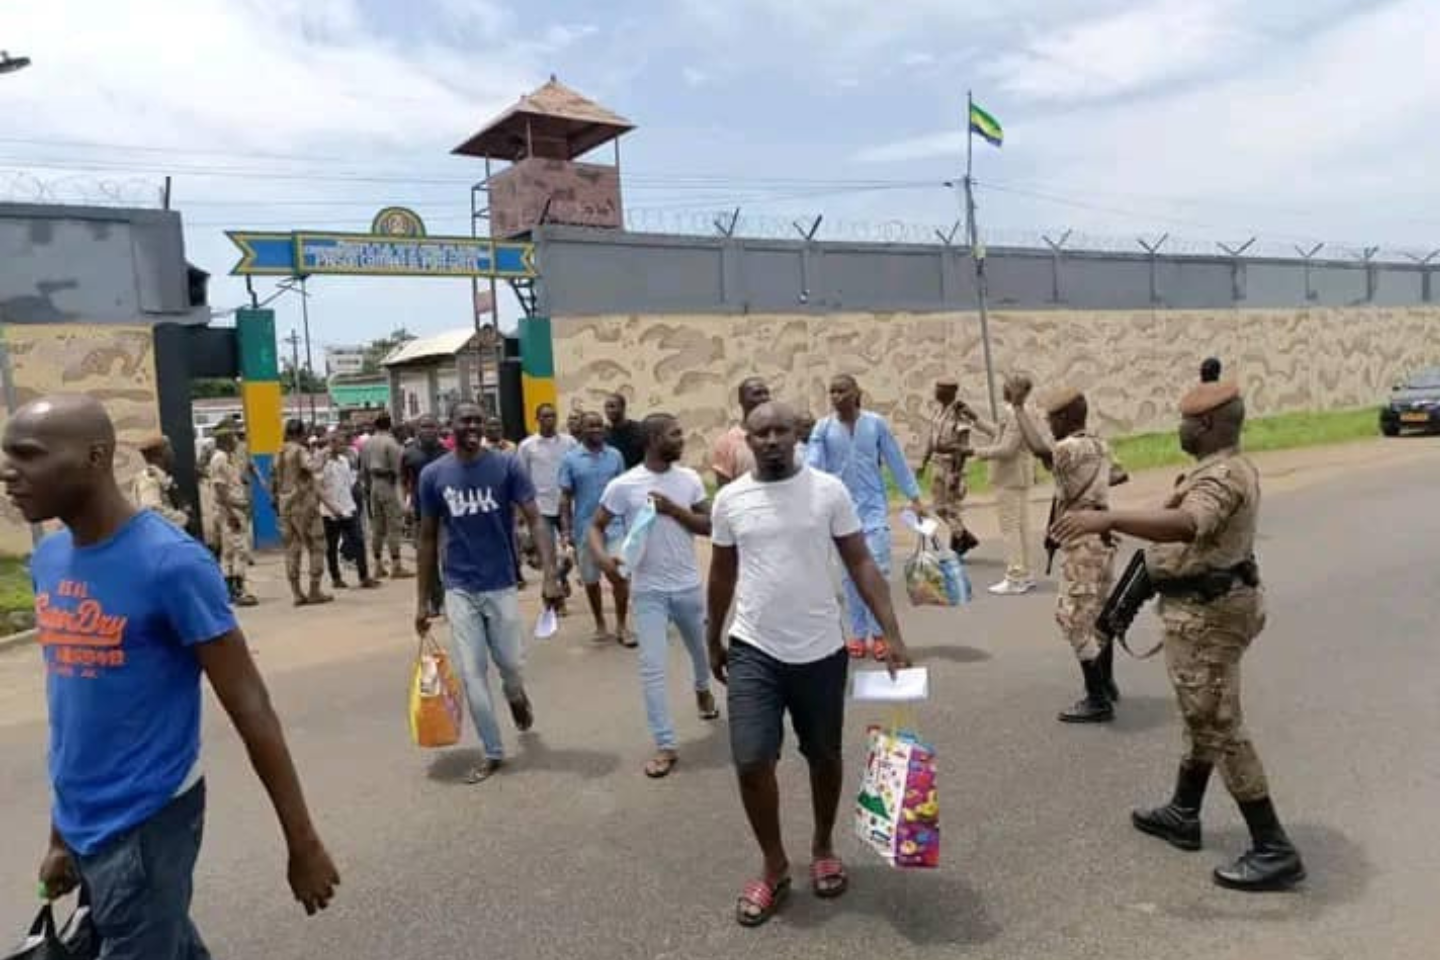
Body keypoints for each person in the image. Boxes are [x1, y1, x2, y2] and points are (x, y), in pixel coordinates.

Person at [6, 395, 339, 958]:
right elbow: (78, 714)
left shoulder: (171, 564)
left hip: (148, 821)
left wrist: (302, 841)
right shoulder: (50, 560)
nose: (7, 471)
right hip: (84, 821)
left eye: (28, 455)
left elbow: (251, 706)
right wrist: (61, 836)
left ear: (94, 457)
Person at [1053, 381, 1305, 891]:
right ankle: (1184, 811)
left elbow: (1189, 523)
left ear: (1207, 425)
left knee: (1219, 723)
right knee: (1201, 714)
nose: (1179, 427)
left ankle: (1273, 845)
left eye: (1185, 421)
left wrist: (1107, 516)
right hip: (1204, 608)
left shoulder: (1221, 477)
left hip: (1209, 616)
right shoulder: (1218, 468)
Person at [708, 401, 913, 928]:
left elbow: (860, 560)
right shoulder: (730, 500)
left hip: (821, 648)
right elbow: (722, 573)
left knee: (823, 755)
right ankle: (774, 864)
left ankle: (822, 845)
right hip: (754, 646)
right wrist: (713, 636)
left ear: (796, 436)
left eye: (781, 432)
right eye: (761, 433)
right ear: (746, 441)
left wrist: (890, 631)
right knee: (752, 760)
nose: (772, 440)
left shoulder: (827, 491)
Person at [414, 401, 563, 784]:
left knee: (511, 664)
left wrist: (550, 574)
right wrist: (422, 601)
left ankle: (516, 695)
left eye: (478, 420)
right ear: (451, 427)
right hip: (459, 588)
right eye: (465, 420)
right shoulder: (433, 475)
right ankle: (493, 751)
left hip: (500, 584)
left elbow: (535, 519)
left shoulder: (506, 465)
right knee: (471, 673)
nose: (473, 426)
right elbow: (427, 538)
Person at [589, 413, 719, 779]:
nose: (682, 439)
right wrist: (603, 560)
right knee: (652, 668)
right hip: (647, 591)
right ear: (652, 439)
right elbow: (595, 527)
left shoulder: (689, 480)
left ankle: (702, 687)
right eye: (675, 434)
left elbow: (709, 525)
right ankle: (665, 744)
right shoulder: (624, 485)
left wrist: (672, 509)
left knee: (701, 652)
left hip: (688, 587)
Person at [1015, 387, 1119, 723]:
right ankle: (1108, 682)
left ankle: (1097, 697)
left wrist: (1018, 408)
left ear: (1063, 418)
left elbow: (1039, 450)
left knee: (1072, 619)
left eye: (1049, 419)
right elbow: (1119, 475)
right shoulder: (1101, 445)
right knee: (1100, 616)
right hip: (1103, 537)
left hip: (1082, 543)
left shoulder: (1067, 447)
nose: (1048, 426)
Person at [806, 374, 924, 662]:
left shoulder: (875, 424)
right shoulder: (823, 428)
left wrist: (915, 497)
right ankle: (858, 635)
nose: (836, 396)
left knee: (878, 572)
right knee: (849, 578)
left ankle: (879, 635)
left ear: (856, 393)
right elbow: (812, 468)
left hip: (873, 511)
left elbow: (895, 459)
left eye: (842, 391)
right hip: (841, 515)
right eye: (832, 392)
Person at [558, 412, 630, 645]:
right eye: (591, 426)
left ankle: (622, 625)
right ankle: (600, 623)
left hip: (615, 526)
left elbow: (624, 492)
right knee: (590, 580)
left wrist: (630, 524)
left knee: (620, 575)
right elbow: (565, 498)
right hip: (585, 528)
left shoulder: (615, 456)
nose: (596, 429)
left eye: (599, 425)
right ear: (582, 429)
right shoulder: (570, 459)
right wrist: (566, 531)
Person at [973, 373, 1037, 595]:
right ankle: (1025, 573)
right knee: (1021, 528)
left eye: (1006, 386)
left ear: (1011, 390)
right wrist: (976, 421)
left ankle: (1015, 576)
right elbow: (1000, 435)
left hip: (1009, 478)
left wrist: (975, 452)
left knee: (1010, 528)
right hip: (1020, 477)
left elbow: (1006, 449)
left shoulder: (1013, 414)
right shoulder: (1023, 412)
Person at [272, 419, 335, 607]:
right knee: (318, 545)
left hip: (284, 505)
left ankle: (297, 593)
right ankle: (314, 590)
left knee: (291, 550)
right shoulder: (299, 451)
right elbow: (312, 467)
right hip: (303, 504)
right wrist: (324, 453)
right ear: (300, 434)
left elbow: (273, 482)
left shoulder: (278, 452)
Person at [920, 377, 984, 556]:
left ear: (950, 392)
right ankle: (964, 536)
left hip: (952, 465)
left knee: (951, 507)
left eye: (939, 389)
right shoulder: (937, 410)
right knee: (939, 507)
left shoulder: (960, 414)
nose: (935, 392)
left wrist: (956, 474)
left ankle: (958, 544)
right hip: (937, 463)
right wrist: (923, 462)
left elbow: (963, 446)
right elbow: (932, 440)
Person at [518, 404, 578, 592]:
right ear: (537, 419)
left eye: (553, 415)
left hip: (567, 506)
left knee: (571, 554)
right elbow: (521, 477)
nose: (549, 419)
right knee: (548, 554)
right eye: (545, 416)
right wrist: (522, 510)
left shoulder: (570, 443)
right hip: (540, 508)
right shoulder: (527, 446)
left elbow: (576, 470)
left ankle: (561, 576)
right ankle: (555, 596)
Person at [321, 430, 380, 590]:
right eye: (337, 443)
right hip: (330, 511)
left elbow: (349, 484)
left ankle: (364, 576)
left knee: (358, 541)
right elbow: (319, 489)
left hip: (348, 507)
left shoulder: (344, 461)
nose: (341, 446)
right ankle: (336, 578)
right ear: (330, 443)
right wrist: (331, 507)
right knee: (331, 546)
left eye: (342, 443)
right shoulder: (322, 464)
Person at [402, 414, 449, 615]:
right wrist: (405, 504)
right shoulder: (409, 454)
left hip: (446, 514)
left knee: (447, 557)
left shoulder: (447, 454)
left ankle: (451, 600)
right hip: (422, 513)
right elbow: (403, 481)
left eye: (432, 426)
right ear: (417, 430)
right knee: (427, 560)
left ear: (439, 430)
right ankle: (433, 600)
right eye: (424, 426)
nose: (428, 430)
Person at [208, 430, 257, 607]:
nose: (236, 440)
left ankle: (230, 591)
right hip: (231, 511)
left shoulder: (227, 457)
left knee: (229, 552)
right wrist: (231, 514)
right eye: (233, 436)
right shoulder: (219, 459)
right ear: (226, 440)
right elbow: (220, 490)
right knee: (240, 550)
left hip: (234, 509)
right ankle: (238, 590)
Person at [362, 413, 412, 579]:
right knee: (393, 526)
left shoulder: (367, 443)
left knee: (377, 527)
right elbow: (398, 472)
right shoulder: (392, 444)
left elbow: (363, 471)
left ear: (375, 425)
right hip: (389, 485)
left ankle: (377, 565)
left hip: (373, 486)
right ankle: (396, 565)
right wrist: (402, 498)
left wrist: (369, 490)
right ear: (389, 425)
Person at [711, 377, 772, 489]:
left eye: (766, 393)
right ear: (741, 400)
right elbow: (724, 491)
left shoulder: (777, 436)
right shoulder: (727, 442)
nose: (764, 398)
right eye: (757, 394)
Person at [130, 434, 190, 529]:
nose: (173, 453)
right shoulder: (149, 478)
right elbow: (152, 510)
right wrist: (183, 518)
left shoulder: (160, 476)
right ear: (161, 454)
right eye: (170, 450)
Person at [604, 393, 646, 469]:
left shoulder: (640, 429)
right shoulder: (604, 433)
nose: (608, 410)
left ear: (623, 407)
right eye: (606, 407)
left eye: (612, 406)